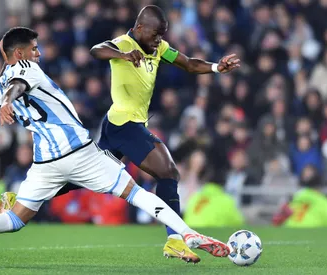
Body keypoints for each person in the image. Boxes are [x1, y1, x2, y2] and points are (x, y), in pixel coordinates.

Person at [0, 27, 229, 266]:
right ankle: (187, 234)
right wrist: (11, 101)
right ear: (19, 53)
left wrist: (6, 102)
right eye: (33, 48)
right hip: (79, 153)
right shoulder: (26, 69)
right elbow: (20, 85)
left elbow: (10, 88)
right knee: (137, 194)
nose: (38, 53)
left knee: (13, 220)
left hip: (45, 163)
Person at [65, 5, 239, 260]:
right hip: (125, 124)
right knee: (168, 172)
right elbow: (96, 50)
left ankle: (29, 196)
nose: (158, 40)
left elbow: (189, 64)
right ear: (139, 28)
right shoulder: (123, 43)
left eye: (162, 35)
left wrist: (215, 68)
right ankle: (175, 239)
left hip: (120, 125)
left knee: (87, 176)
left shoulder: (159, 48)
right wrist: (122, 55)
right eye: (155, 34)